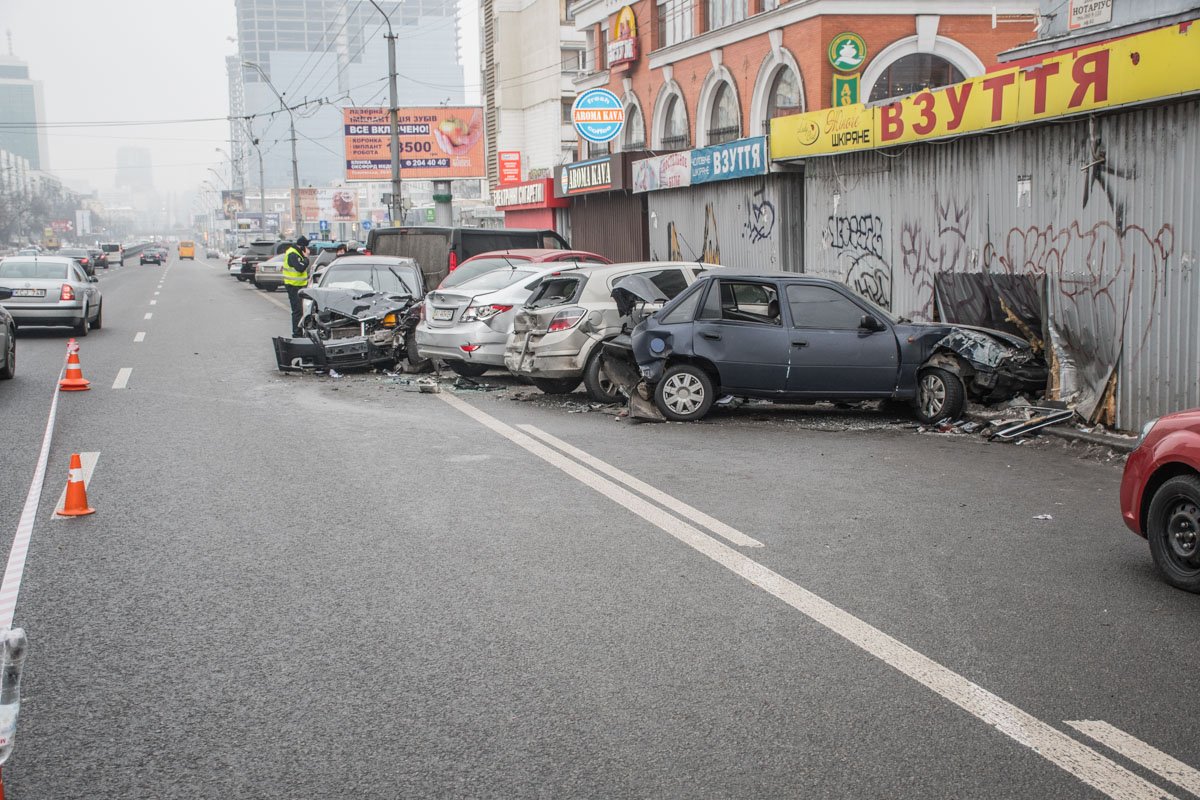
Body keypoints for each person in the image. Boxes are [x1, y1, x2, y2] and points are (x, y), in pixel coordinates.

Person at [282, 235, 311, 336]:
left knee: (302, 310)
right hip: (293, 286)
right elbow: (300, 268)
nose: (308, 249)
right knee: (297, 311)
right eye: (306, 247)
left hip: (299, 286)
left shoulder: (296, 253)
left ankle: (301, 332)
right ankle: (297, 334)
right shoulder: (292, 254)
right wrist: (306, 258)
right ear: (302, 247)